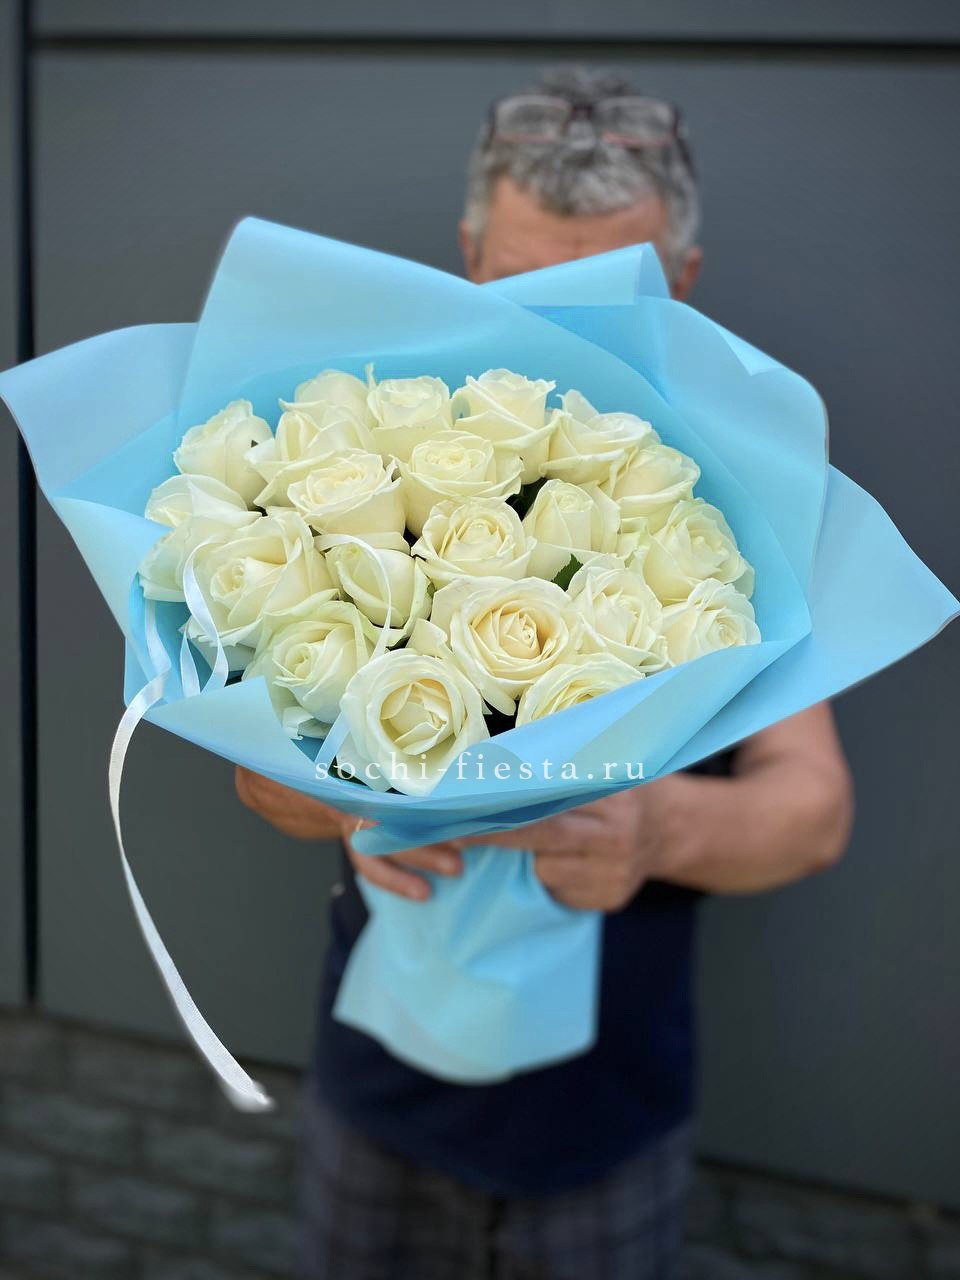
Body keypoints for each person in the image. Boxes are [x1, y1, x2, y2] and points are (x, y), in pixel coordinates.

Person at [236, 67, 855, 1280]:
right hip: (375, 1076)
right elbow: (258, 770)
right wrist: (337, 792)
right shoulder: (371, 443)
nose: (567, 326)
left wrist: (656, 826)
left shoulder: (747, 487)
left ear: (684, 277)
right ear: (468, 257)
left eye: (612, 291)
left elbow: (814, 808)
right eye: (528, 286)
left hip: (607, 1112)